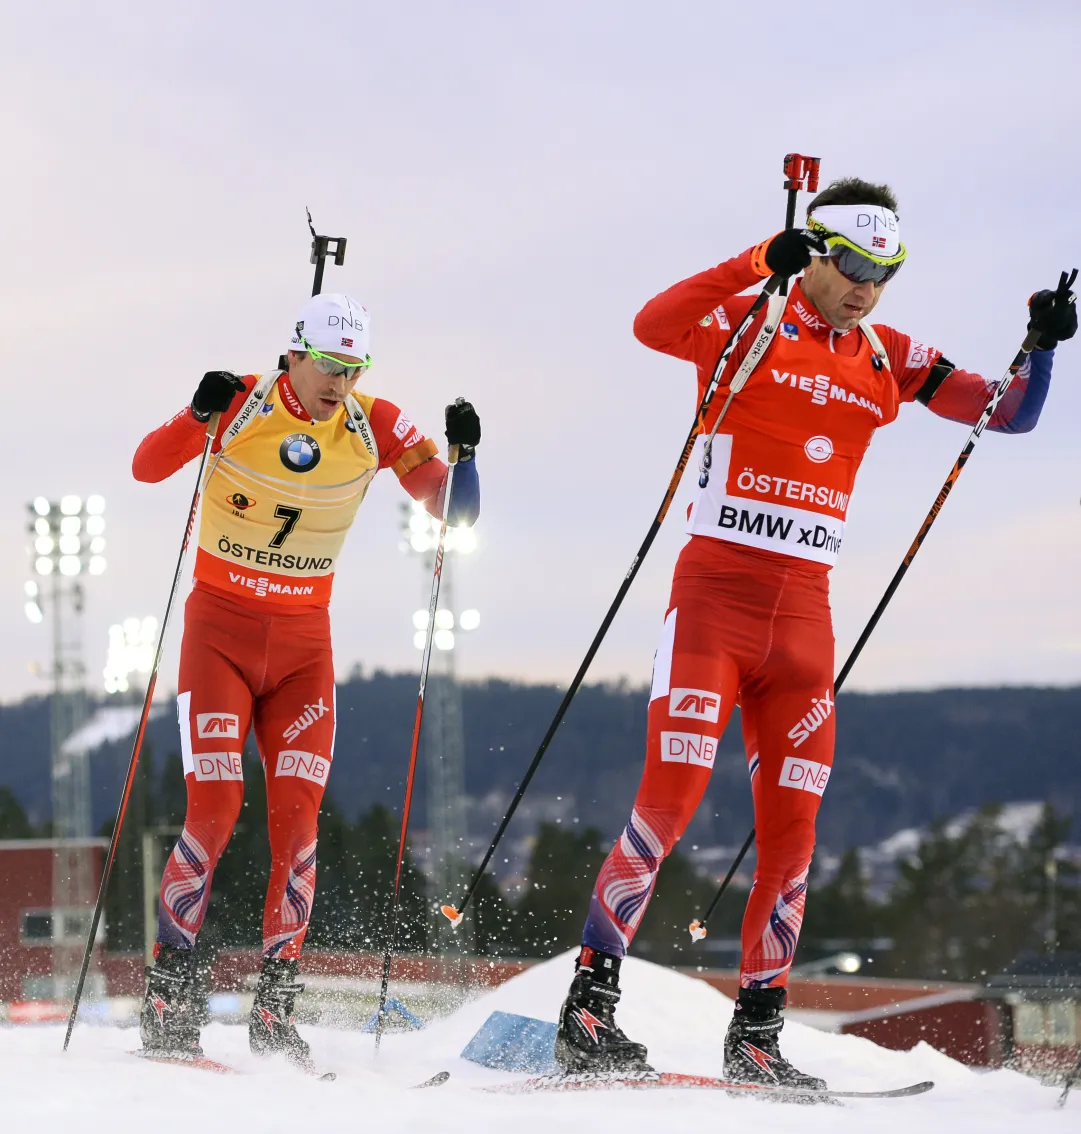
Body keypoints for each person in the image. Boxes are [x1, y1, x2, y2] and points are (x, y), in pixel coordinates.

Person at [554, 178, 1076, 1089]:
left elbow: (1008, 413)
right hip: (712, 602)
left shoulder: (886, 353)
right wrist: (757, 261)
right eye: (853, 265)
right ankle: (587, 1014)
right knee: (666, 806)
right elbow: (649, 323)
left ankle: (756, 1038)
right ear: (816, 252)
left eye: (887, 271)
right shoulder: (747, 322)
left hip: (802, 622)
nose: (867, 286)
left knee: (791, 838)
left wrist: (1041, 346)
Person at [133, 292, 481, 1067]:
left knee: (298, 821)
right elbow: (147, 468)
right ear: (293, 353)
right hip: (218, 637)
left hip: (302, 651)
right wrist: (196, 415)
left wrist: (465, 461)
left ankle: (276, 1006)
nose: (339, 383)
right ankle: (169, 993)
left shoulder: (374, 422)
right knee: (216, 809)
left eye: (353, 369)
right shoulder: (244, 402)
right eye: (328, 365)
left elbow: (453, 512)